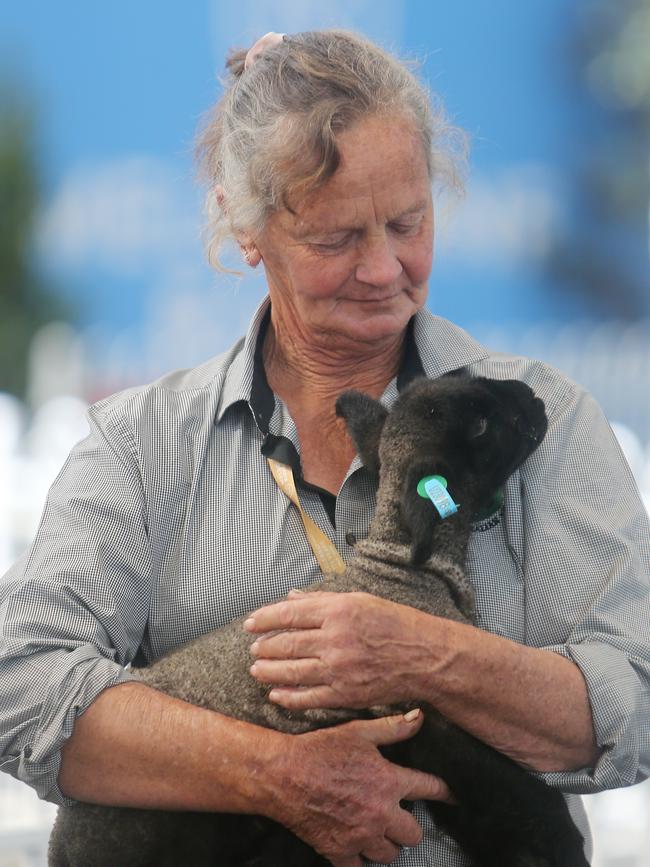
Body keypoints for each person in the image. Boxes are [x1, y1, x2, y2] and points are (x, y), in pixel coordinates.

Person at [1, 28, 649, 867]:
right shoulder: (146, 446)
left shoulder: (539, 422)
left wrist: (425, 653)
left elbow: (634, 693)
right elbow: (21, 683)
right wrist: (274, 771)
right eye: (337, 239)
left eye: (408, 222)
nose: (384, 268)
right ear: (247, 226)